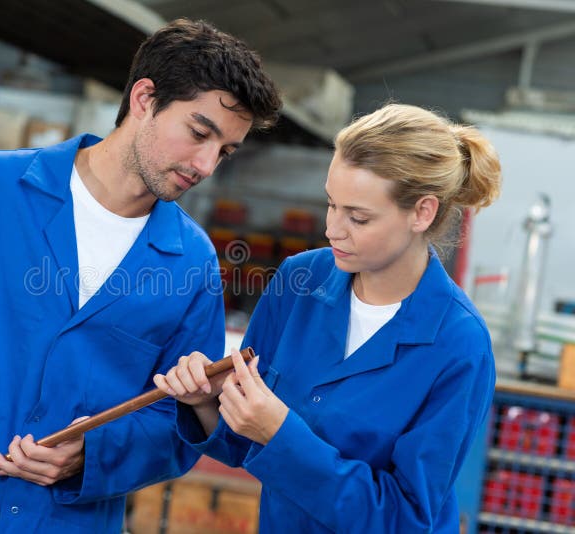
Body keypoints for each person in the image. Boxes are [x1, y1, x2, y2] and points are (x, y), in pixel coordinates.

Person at [0, 18, 281, 533]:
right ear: (145, 98)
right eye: (199, 133)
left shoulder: (190, 262)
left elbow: (181, 425)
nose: (206, 164)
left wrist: (93, 456)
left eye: (225, 151)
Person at [155, 103, 502, 533]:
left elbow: (405, 520)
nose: (333, 229)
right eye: (332, 204)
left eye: (358, 217)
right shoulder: (299, 281)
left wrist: (283, 435)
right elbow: (247, 446)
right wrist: (206, 401)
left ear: (422, 212)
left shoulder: (459, 345)